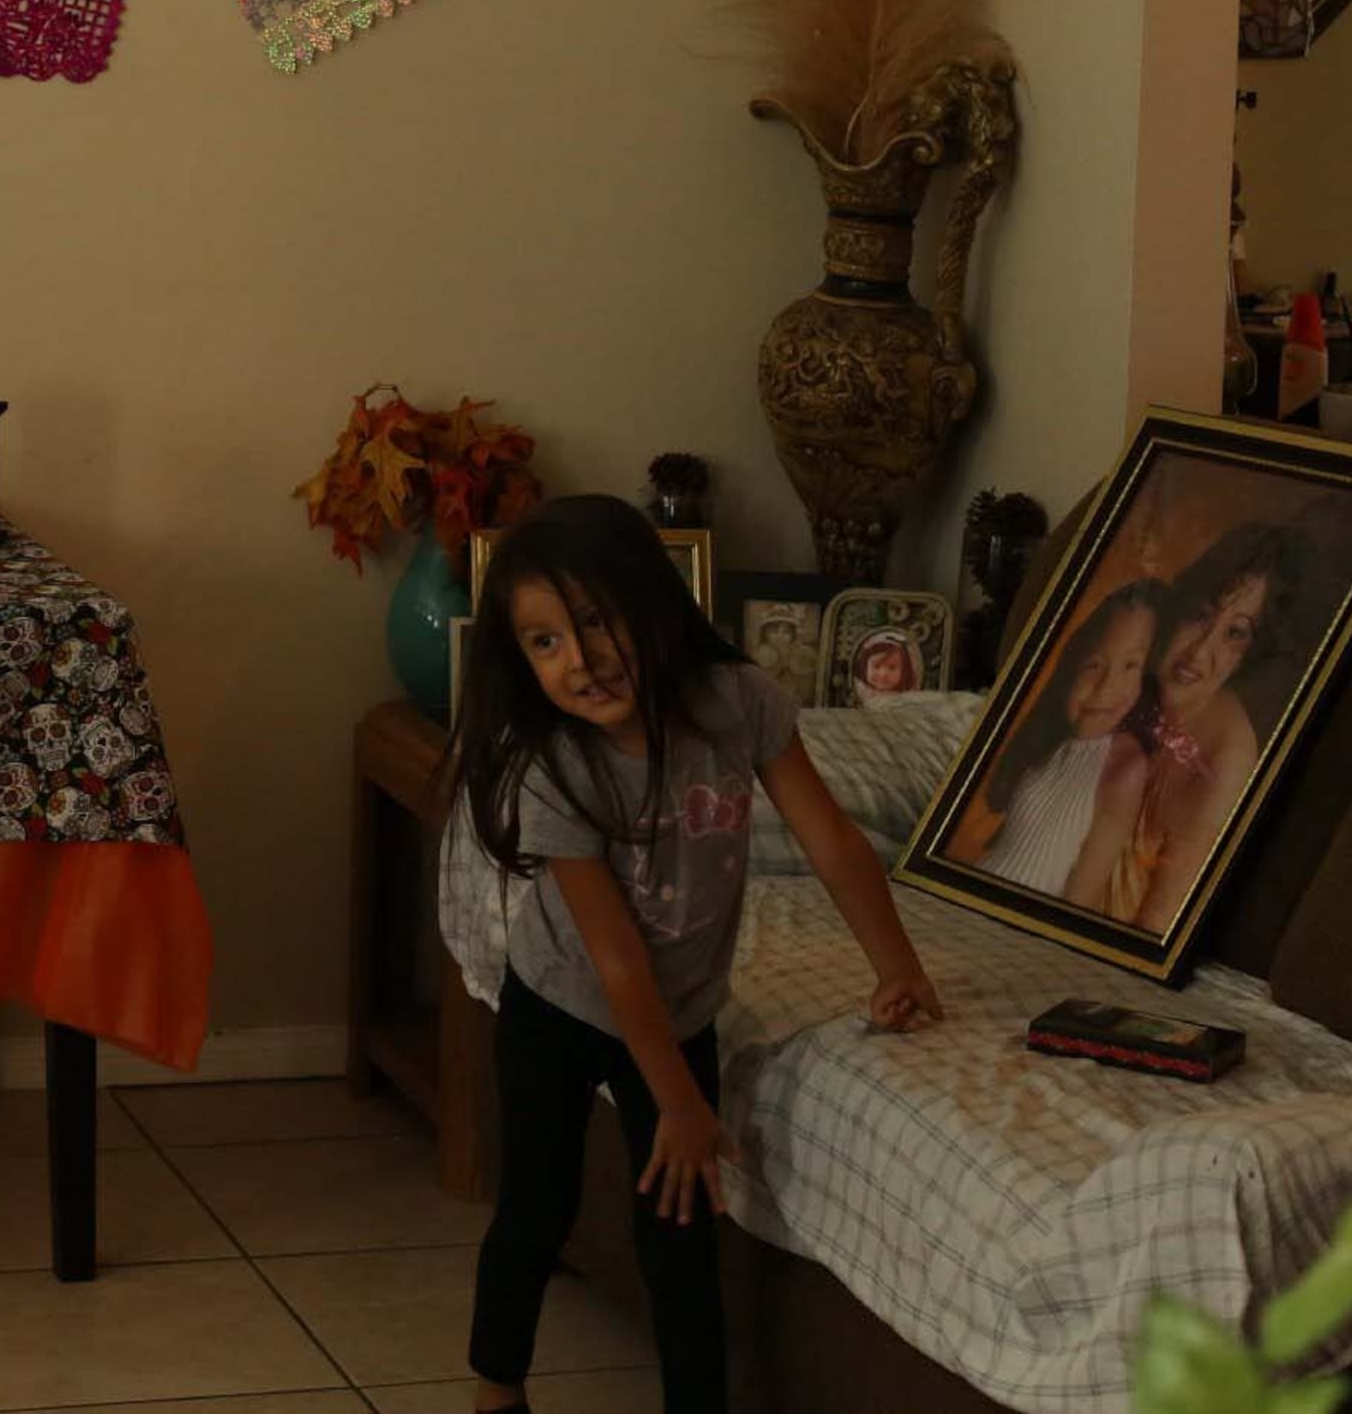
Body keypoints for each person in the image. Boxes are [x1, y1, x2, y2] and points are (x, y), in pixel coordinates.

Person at [452, 497, 943, 1414]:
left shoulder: (738, 703)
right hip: (561, 1001)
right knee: (536, 1208)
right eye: (545, 643)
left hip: (679, 1005)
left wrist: (897, 967)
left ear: (652, 604)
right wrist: (677, 1100)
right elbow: (613, 957)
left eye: (595, 623)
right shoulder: (557, 765)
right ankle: (495, 1389)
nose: (581, 661)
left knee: (681, 1228)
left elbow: (833, 839)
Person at [1097, 523, 1309, 929]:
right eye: (1200, 616)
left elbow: (1157, 925)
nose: (1199, 651)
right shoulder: (1125, 671)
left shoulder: (1226, 754)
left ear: (1250, 653)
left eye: (1235, 634)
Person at [965, 580, 1164, 897]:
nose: (1105, 688)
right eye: (1094, 665)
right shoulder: (1053, 738)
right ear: (1072, 666)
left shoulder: (1125, 767)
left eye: (1131, 666)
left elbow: (1080, 895)